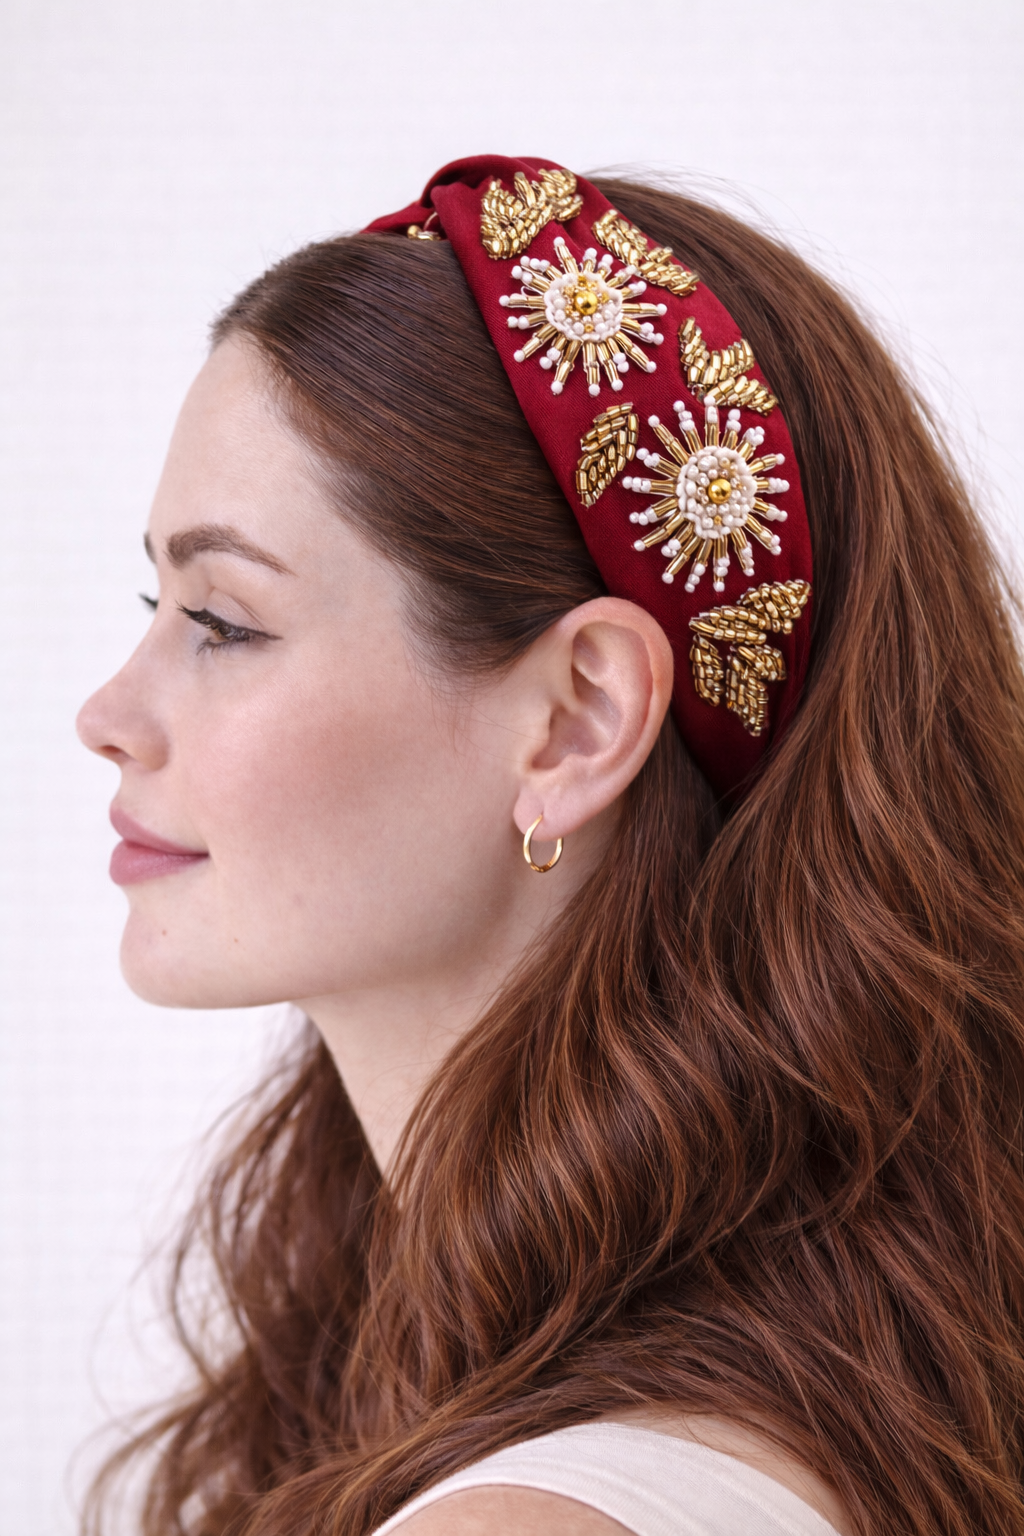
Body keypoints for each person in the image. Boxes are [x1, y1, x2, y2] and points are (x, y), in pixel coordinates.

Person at [76, 157, 1024, 1536]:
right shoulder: (831, 1390)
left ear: (580, 718)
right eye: (153, 606)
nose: (105, 716)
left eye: (223, 622)